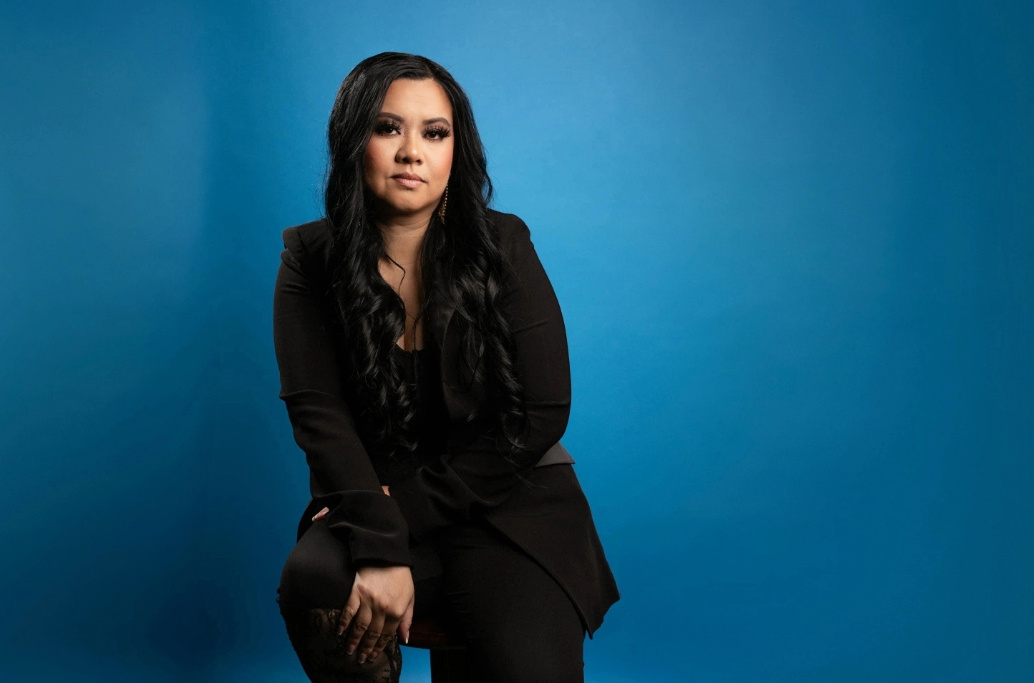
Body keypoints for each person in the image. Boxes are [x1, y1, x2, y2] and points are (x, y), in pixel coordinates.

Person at [273, 52, 619, 682]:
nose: (413, 152)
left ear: (457, 150)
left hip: (510, 510)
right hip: (376, 504)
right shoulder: (309, 260)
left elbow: (540, 414)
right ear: (354, 141)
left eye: (435, 133)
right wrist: (379, 545)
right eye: (388, 128)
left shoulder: (503, 242)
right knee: (314, 582)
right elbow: (318, 415)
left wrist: (393, 520)